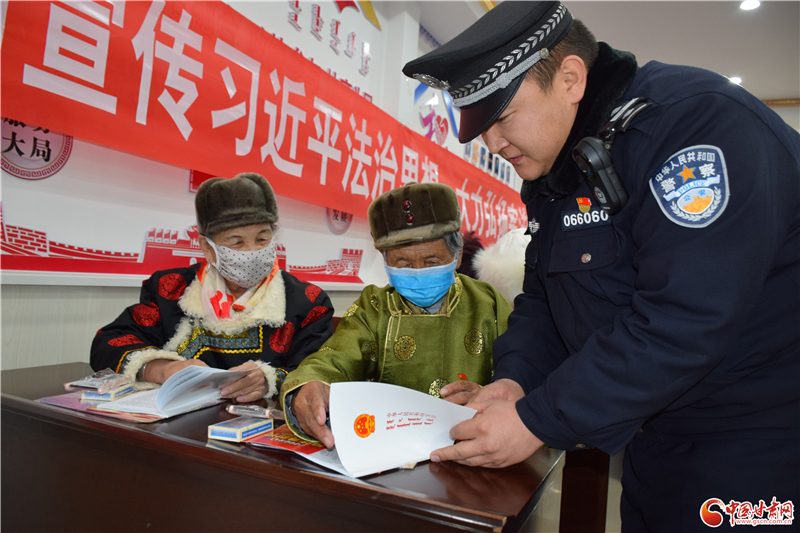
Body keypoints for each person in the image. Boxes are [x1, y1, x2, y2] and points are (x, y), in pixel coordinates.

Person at [403, 2, 799, 531]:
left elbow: (684, 318)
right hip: (655, 438)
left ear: (570, 78)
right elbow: (545, 300)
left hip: (759, 441)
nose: (492, 143)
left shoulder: (695, 127)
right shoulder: (558, 171)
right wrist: (516, 381)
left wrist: (538, 420)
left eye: (502, 117)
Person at [280, 182, 512, 448]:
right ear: (386, 263)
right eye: (403, 264)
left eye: (431, 262)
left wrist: (490, 396)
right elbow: (335, 357)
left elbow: (522, 373)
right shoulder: (374, 306)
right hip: (389, 448)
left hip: (473, 446)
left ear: (457, 256)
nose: (418, 272)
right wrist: (311, 383)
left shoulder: (489, 304)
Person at [91, 173, 334, 402]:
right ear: (207, 247)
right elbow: (109, 343)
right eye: (237, 242)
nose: (252, 251)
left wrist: (271, 379)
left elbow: (320, 371)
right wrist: (161, 369)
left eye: (262, 239)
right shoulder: (171, 289)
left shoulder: (308, 301)